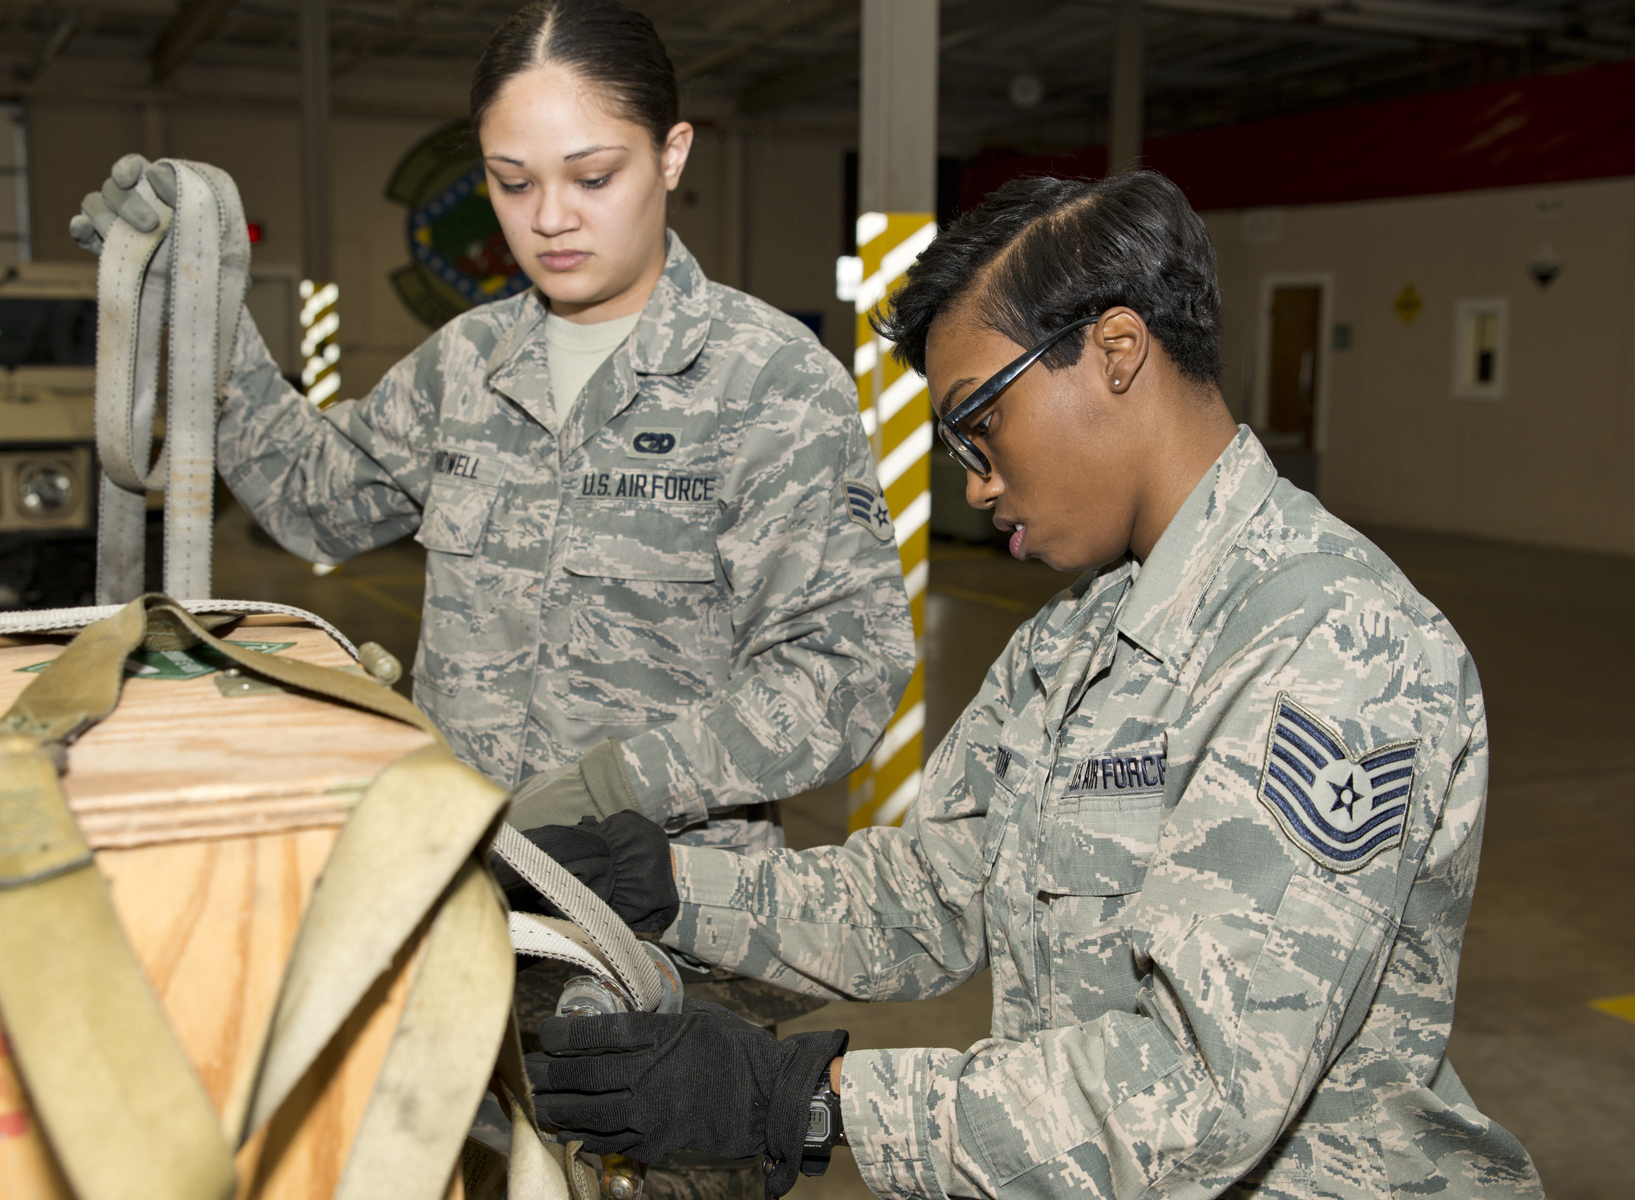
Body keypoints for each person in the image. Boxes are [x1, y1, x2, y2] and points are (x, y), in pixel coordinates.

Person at [518, 171, 1544, 1199]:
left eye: (980, 424)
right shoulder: (1077, 635)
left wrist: (807, 1096)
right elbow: (924, 897)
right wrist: (652, 883)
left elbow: (1201, 1092)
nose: (974, 480)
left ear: (1116, 351)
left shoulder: (1331, 643)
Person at [69, 0, 912, 866]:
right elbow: (312, 499)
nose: (549, 219)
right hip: (462, 871)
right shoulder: (468, 362)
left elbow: (841, 674)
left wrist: (617, 788)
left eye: (592, 178)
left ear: (672, 153)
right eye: (513, 182)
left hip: (669, 907)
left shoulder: (769, 381)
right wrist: (197, 301)